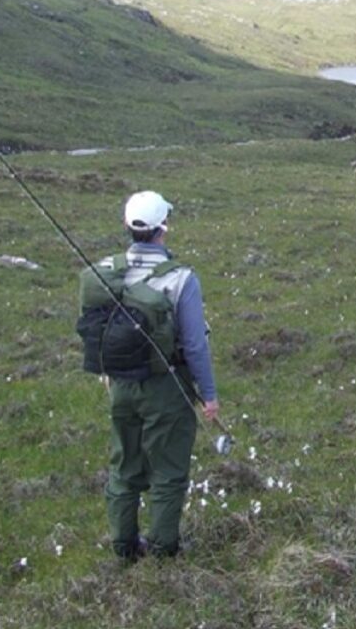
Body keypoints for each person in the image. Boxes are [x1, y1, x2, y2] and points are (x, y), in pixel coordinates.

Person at [102, 190, 219, 560]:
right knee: (168, 470)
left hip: (120, 385)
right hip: (167, 389)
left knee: (124, 465)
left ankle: (124, 548)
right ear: (162, 229)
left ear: (128, 226)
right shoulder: (182, 279)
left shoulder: (107, 272)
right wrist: (209, 395)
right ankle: (163, 550)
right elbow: (195, 345)